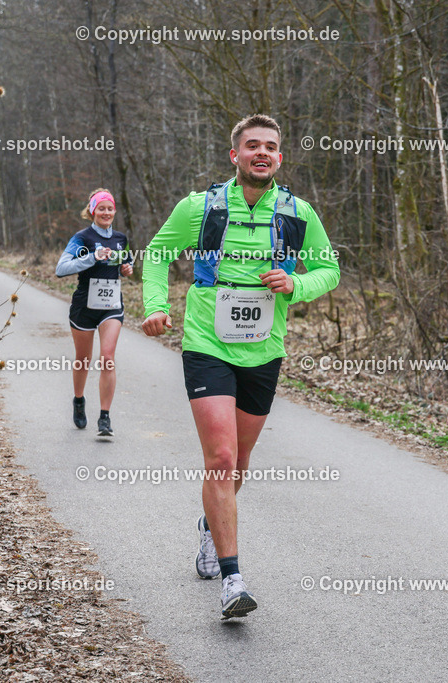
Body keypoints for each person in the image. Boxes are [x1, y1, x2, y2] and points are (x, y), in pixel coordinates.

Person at [142, 114, 339, 619]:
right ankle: (232, 578)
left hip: (264, 351)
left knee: (240, 464)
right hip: (207, 344)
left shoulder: (297, 213)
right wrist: (155, 305)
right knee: (222, 458)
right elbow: (158, 252)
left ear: (279, 157)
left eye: (270, 147)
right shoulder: (201, 207)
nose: (262, 153)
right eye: (252, 145)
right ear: (235, 155)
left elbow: (329, 269)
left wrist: (298, 285)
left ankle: (212, 523)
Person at [55, 188, 133, 437]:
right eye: (101, 208)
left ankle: (105, 418)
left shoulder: (121, 238)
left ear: (114, 211)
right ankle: (79, 400)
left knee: (107, 358)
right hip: (84, 308)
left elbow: (126, 263)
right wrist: (92, 257)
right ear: (92, 211)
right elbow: (61, 268)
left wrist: (126, 269)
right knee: (83, 359)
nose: (106, 212)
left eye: (110, 208)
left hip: (111, 307)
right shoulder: (82, 238)